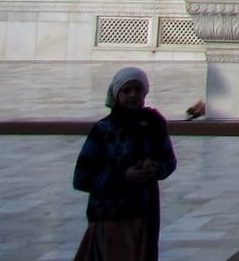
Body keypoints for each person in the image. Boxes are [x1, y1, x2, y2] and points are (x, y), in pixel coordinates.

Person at [73, 66, 177, 261]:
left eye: (138, 90)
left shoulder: (153, 124)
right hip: (110, 219)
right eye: (127, 91)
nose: (133, 96)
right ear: (116, 94)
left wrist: (154, 168)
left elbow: (169, 161)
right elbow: (81, 178)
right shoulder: (103, 130)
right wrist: (123, 177)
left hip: (143, 216)